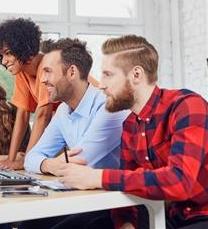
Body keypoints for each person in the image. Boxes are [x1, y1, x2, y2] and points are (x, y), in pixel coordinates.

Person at [57, 35, 208, 229]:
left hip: (200, 215)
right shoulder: (130, 125)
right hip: (164, 214)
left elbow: (179, 181)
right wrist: (126, 224)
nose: (101, 84)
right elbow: (128, 185)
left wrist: (98, 177)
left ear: (136, 75)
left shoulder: (186, 106)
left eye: (108, 74)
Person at [19, 38, 129, 229]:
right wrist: (49, 164)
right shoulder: (63, 111)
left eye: (48, 71)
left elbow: (81, 162)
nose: (42, 80)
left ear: (72, 72)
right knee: (27, 225)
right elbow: (31, 158)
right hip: (79, 196)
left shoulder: (109, 106)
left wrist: (55, 164)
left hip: (113, 202)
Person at [0, 18, 99, 169]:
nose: (4, 61)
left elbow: (42, 116)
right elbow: (22, 116)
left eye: (8, 53)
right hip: (69, 121)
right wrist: (10, 160)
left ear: (24, 48)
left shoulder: (47, 66)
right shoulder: (21, 73)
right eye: (1, 56)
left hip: (91, 113)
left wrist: (25, 162)